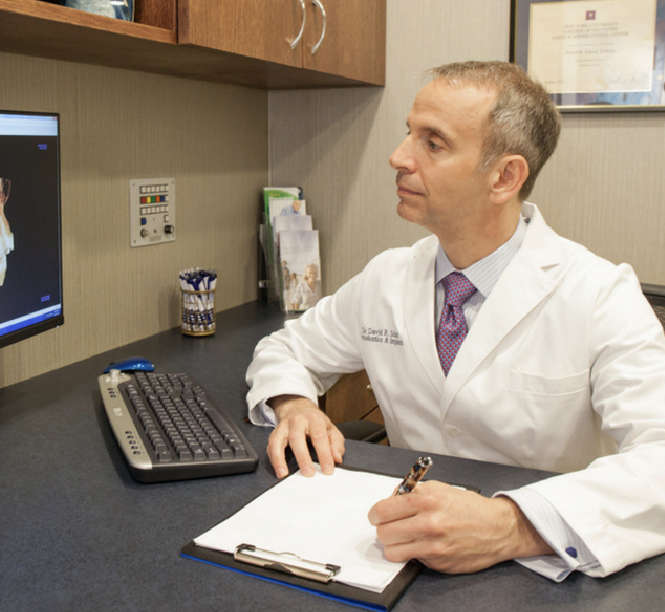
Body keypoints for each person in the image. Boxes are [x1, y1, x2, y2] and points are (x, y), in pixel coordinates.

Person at [245, 61, 665, 581]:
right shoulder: (388, 278)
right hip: (394, 550)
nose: (398, 157)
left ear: (505, 176)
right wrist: (295, 405)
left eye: (433, 143)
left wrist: (513, 525)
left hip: (540, 567)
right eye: (408, 134)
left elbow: (660, 458)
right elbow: (286, 349)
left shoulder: (600, 294)